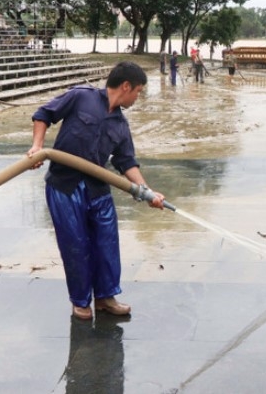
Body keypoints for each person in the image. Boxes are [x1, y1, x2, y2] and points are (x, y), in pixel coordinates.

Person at [27, 62, 166, 320]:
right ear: (126, 86)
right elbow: (43, 114)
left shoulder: (121, 125)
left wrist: (148, 192)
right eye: (138, 91)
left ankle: (105, 298)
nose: (138, 97)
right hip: (64, 186)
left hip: (97, 187)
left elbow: (126, 162)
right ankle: (80, 301)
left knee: (107, 242)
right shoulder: (81, 97)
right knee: (75, 245)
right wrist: (38, 147)